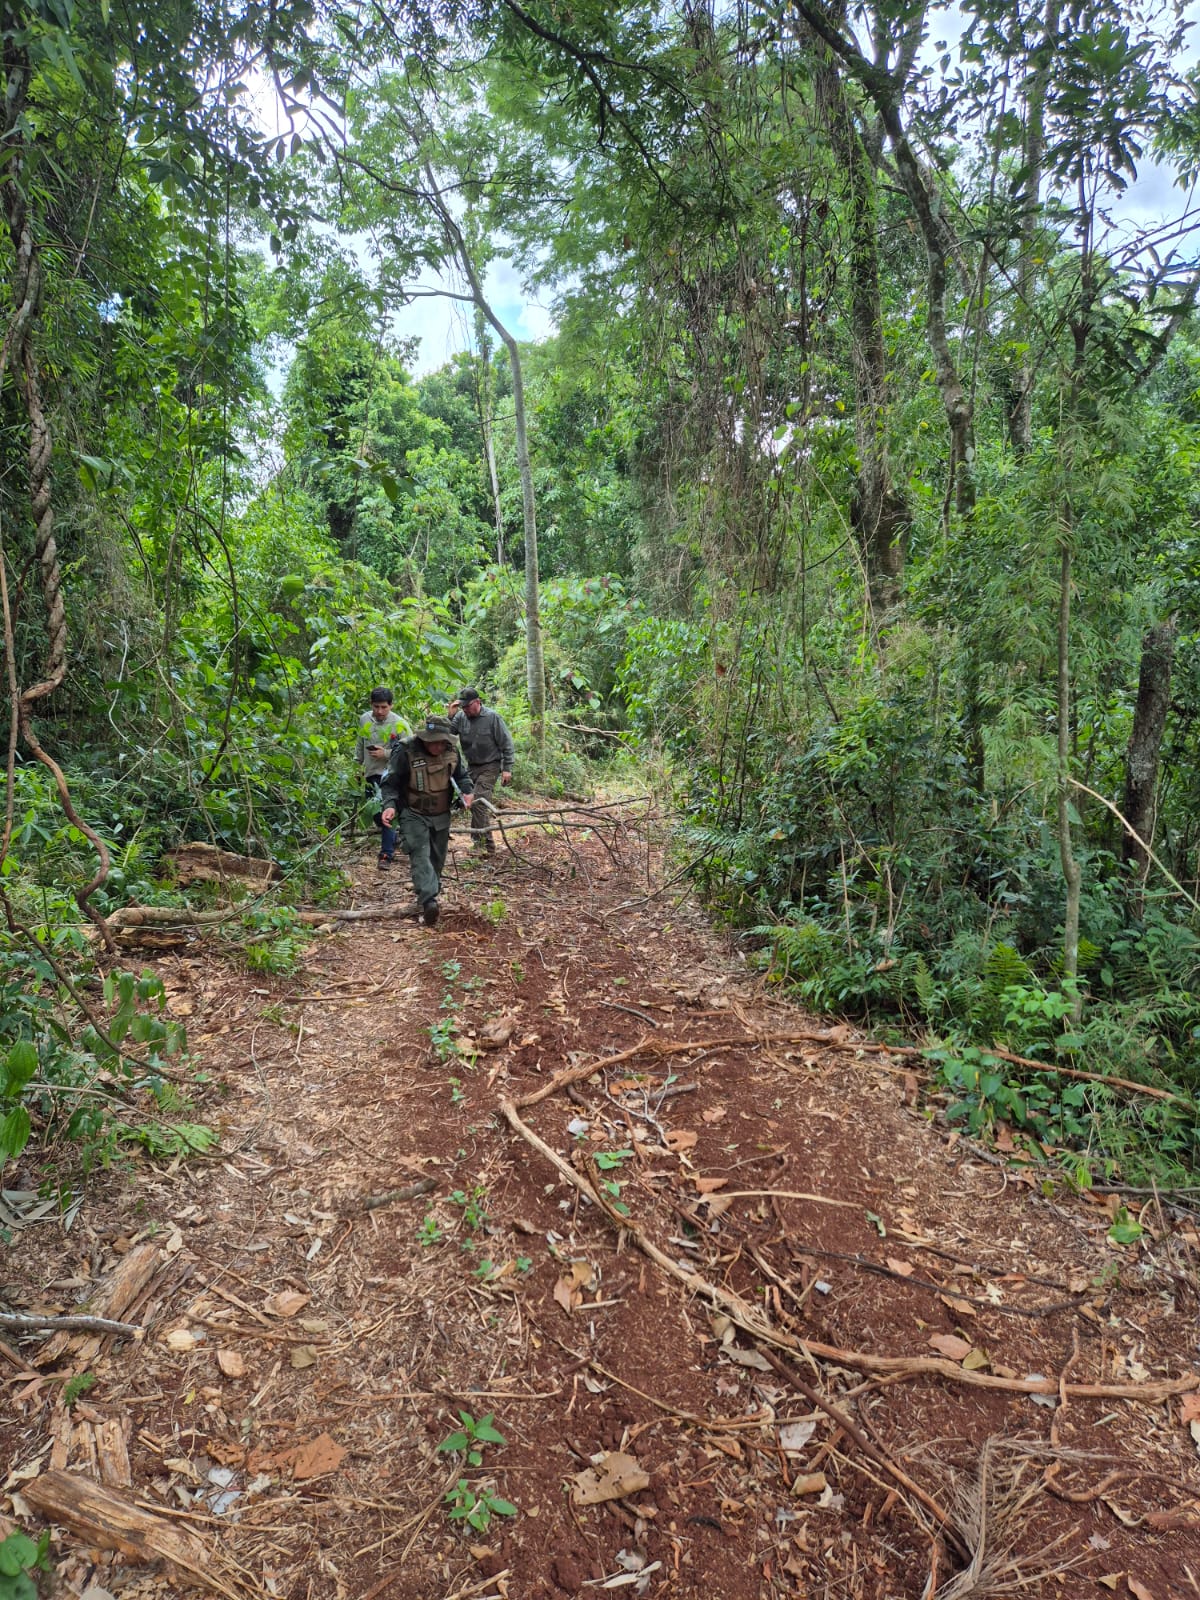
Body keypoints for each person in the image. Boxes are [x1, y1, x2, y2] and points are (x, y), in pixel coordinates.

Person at [379, 715, 474, 926]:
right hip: (413, 812)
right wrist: (389, 806)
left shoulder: (451, 750)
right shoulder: (406, 750)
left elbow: (462, 776)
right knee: (420, 853)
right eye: (433, 741)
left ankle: (429, 895)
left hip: (441, 814)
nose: (437, 746)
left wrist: (467, 792)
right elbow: (390, 782)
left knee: (437, 860)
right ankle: (429, 901)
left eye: (441, 741)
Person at [447, 687, 514, 856]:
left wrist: (507, 769)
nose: (465, 710)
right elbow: (446, 736)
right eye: (462, 707)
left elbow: (507, 744)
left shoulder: (492, 718)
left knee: (479, 802)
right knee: (468, 801)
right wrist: (450, 716)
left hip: (491, 765)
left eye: (467, 706)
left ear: (477, 702)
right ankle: (480, 842)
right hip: (471, 766)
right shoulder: (460, 717)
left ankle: (485, 845)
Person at [355, 688, 409, 869]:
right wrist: (358, 765)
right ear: (371, 704)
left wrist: (385, 753)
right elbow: (360, 743)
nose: (379, 711)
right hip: (371, 773)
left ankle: (386, 854)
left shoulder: (400, 724)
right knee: (376, 814)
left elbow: (409, 752)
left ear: (391, 706)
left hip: (390, 776)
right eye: (376, 707)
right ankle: (395, 837)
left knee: (388, 812)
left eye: (383, 707)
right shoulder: (364, 719)